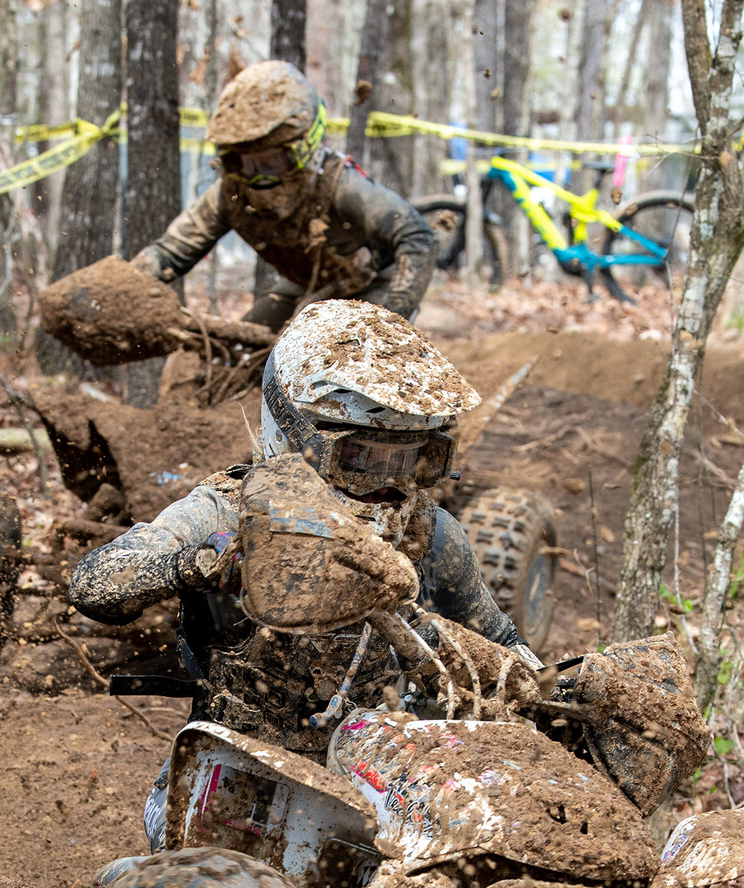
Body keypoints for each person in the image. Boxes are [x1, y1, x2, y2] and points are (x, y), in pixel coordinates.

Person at [68, 299, 537, 847]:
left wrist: (550, 687)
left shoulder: (428, 531)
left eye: (409, 459)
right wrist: (202, 565)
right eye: (362, 458)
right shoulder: (230, 510)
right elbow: (95, 582)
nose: (387, 483)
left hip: (375, 773)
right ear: (297, 433)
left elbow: (498, 638)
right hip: (239, 767)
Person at [133, 61, 438, 331]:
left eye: (271, 161)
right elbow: (170, 253)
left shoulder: (341, 184)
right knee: (238, 356)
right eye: (245, 162)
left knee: (344, 367)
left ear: (302, 149)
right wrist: (122, 289)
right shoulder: (230, 195)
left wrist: (392, 320)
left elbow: (417, 236)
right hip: (306, 287)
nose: (258, 176)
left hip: (371, 284)